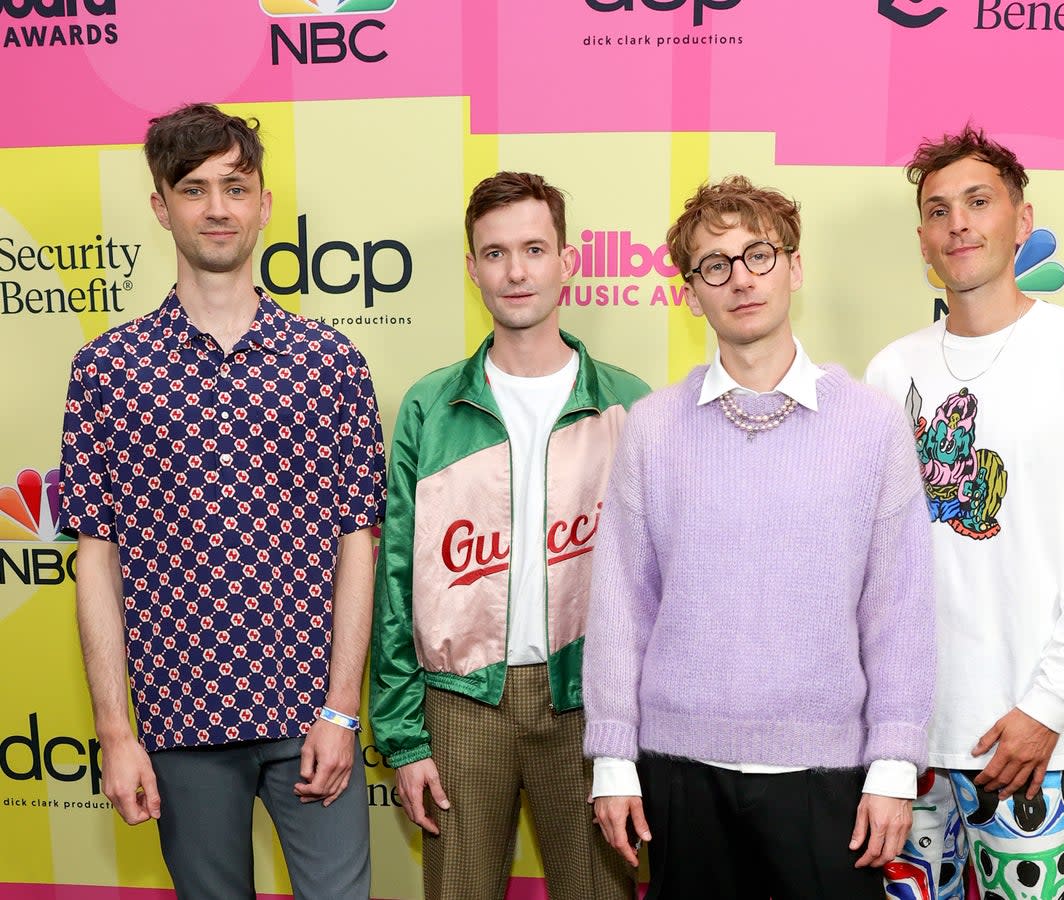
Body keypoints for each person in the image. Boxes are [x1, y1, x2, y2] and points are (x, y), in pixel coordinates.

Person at [59, 103, 385, 900]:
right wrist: (115, 734)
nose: (216, 208)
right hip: (179, 724)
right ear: (160, 205)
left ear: (264, 204)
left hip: (311, 720)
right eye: (194, 188)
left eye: (235, 187)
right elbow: (94, 565)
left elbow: (358, 542)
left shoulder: (330, 362)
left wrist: (343, 711)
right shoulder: (106, 371)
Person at [583, 175, 936, 899]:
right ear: (690, 292)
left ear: (795, 267)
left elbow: (900, 608)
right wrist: (613, 758)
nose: (740, 279)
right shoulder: (652, 427)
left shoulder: (872, 425)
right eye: (715, 265)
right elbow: (621, 602)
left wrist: (896, 764)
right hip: (679, 773)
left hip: (830, 779)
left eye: (758, 255)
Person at [865, 125, 1064, 900]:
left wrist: (1046, 709)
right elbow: (875, 563)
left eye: (979, 201)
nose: (958, 222)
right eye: (938, 209)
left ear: (1021, 221)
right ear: (923, 237)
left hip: (1031, 743)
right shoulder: (892, 370)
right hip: (906, 742)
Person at [370, 171, 648, 900]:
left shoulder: (632, 405)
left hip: (591, 705)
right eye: (494, 253)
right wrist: (403, 737)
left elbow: (661, 586)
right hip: (460, 705)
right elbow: (395, 580)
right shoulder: (431, 407)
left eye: (533, 248)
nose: (516, 271)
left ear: (569, 260)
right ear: (471, 269)